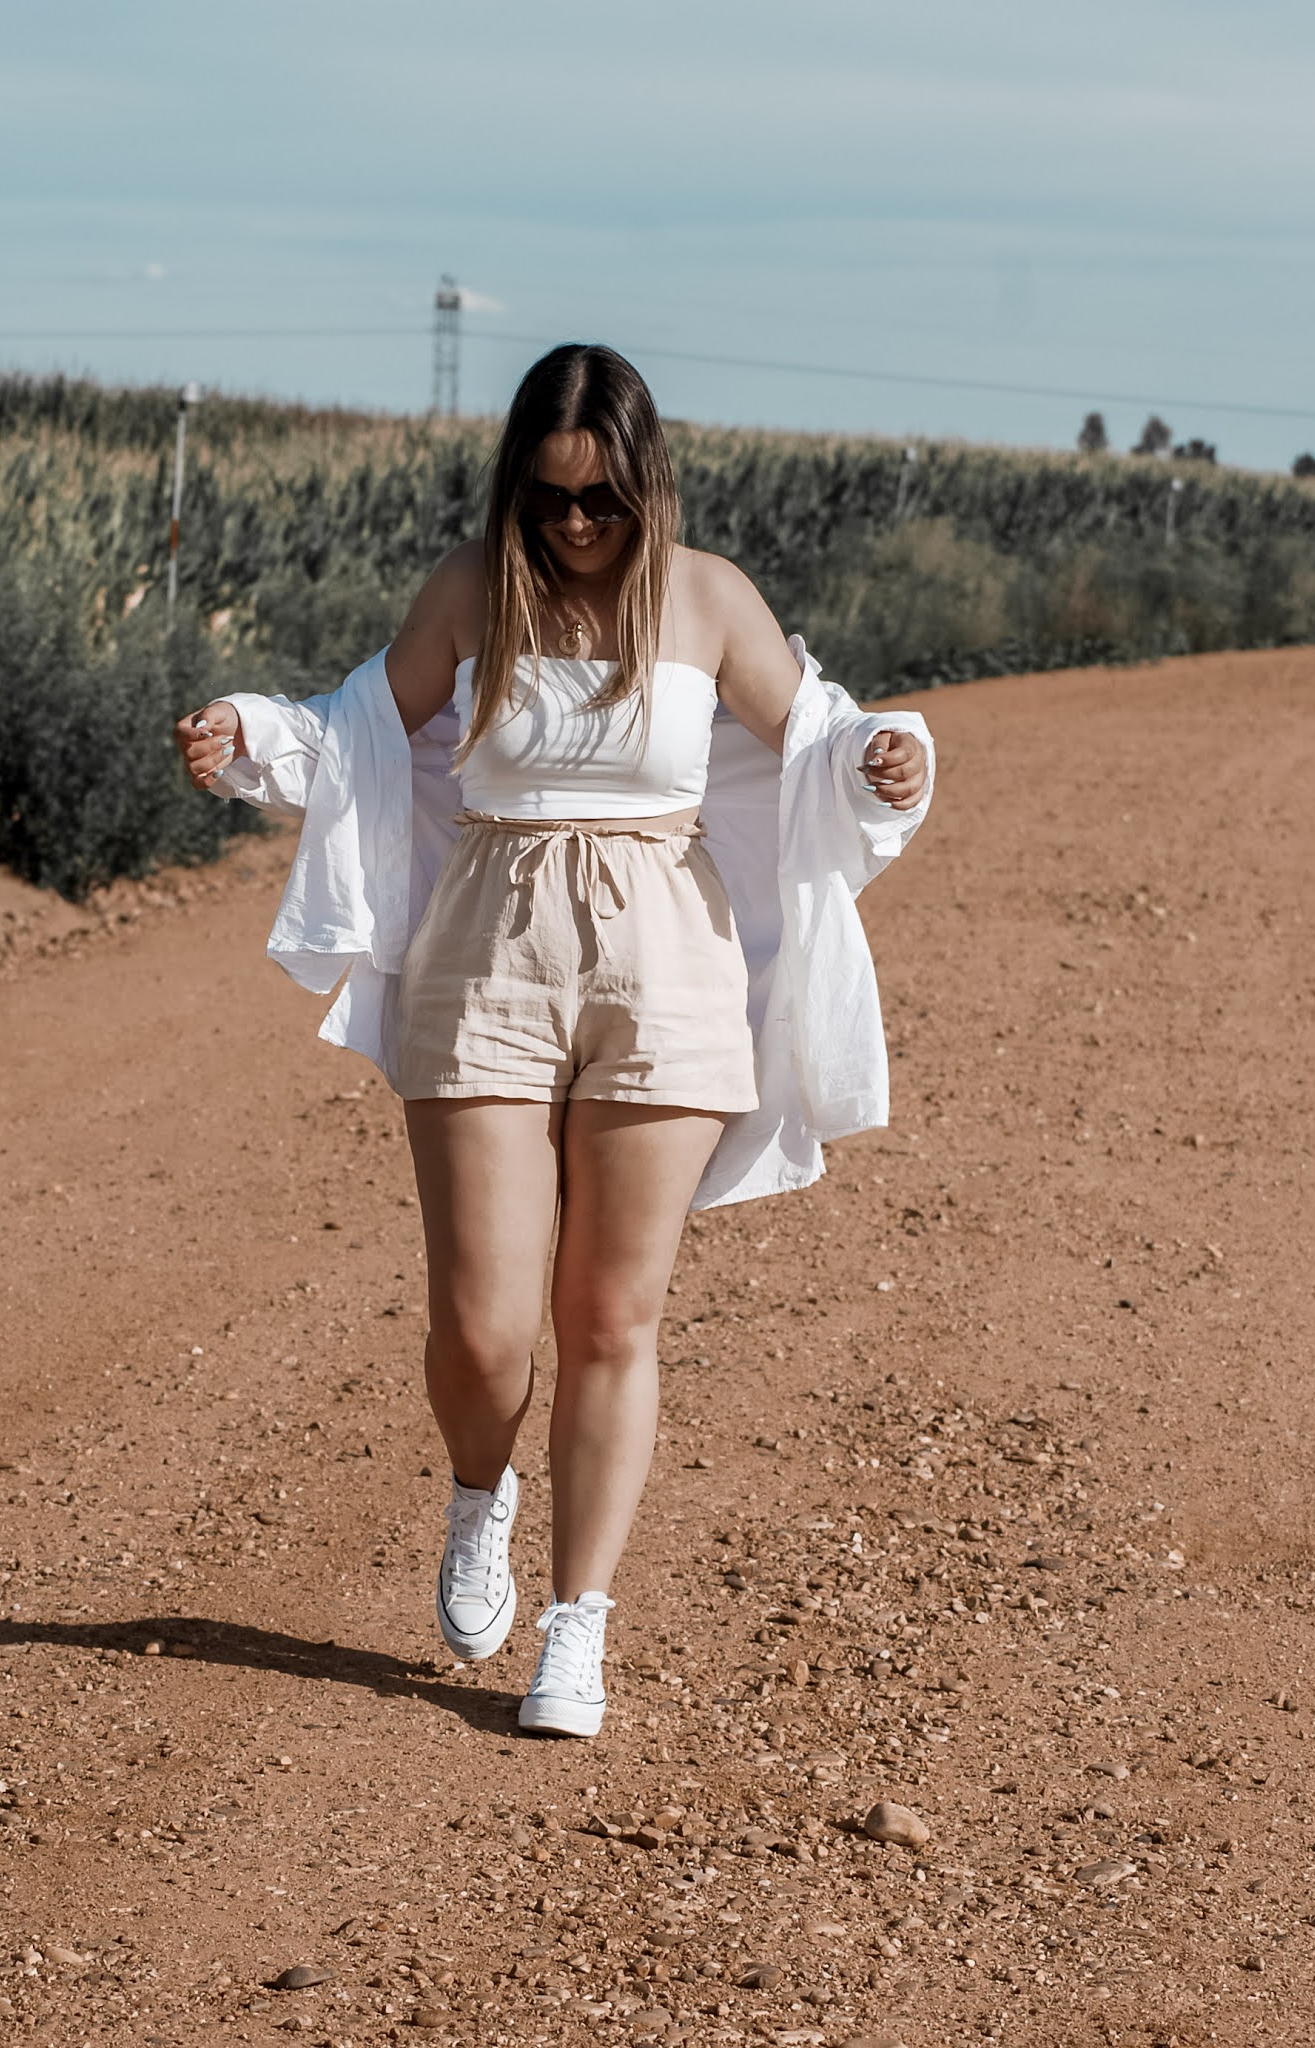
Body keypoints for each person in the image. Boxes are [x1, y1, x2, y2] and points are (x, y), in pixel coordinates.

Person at [174, 343, 933, 1739]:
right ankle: (482, 1494)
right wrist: (252, 733)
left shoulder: (708, 598)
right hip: (489, 948)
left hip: (667, 961)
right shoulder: (474, 594)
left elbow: (816, 735)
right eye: (547, 501)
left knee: (609, 1316)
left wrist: (883, 751)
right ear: (514, 492)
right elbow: (359, 726)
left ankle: (576, 1627)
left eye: (599, 501)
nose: (575, 528)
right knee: (480, 1321)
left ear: (646, 484)